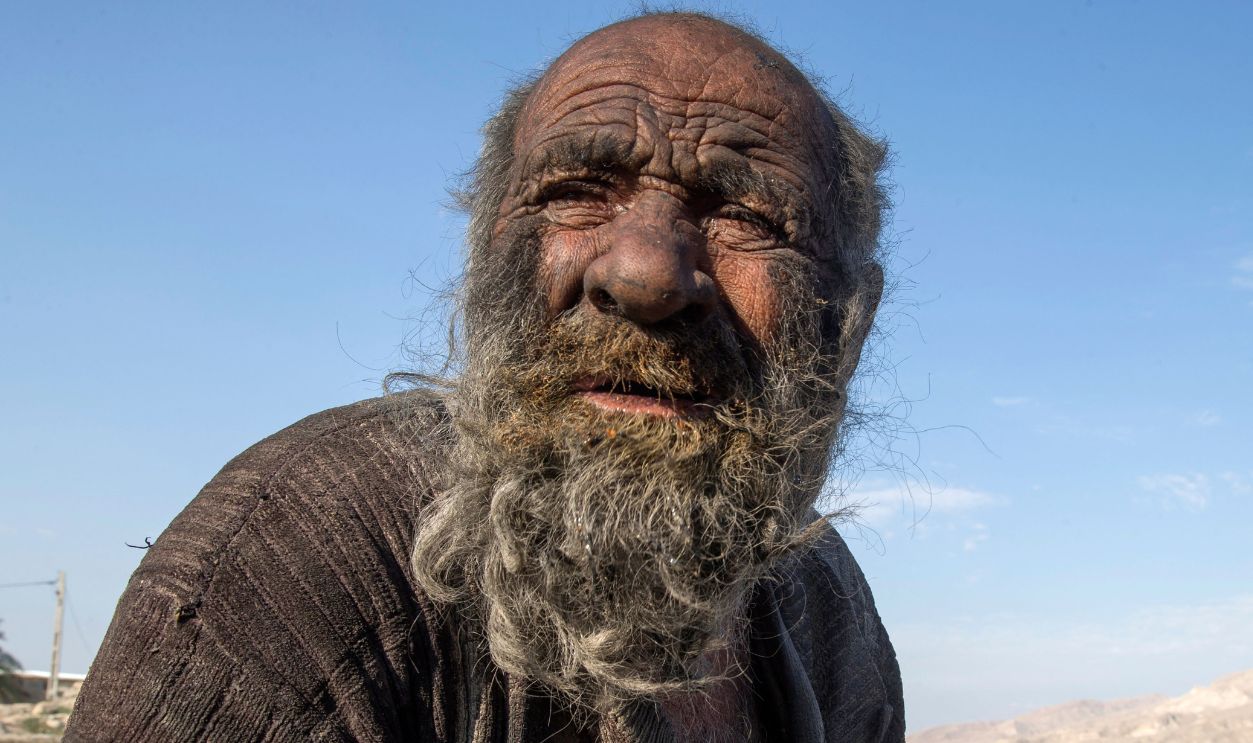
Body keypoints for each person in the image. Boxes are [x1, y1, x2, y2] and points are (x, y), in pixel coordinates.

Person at [66, 12, 904, 742]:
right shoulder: (295, 559)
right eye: (576, 192)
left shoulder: (826, 608)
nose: (644, 275)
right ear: (486, 261)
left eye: (744, 215)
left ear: (848, 317)